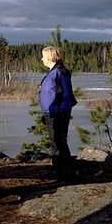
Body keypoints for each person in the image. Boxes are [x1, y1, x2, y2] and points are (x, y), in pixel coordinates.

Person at [39, 46, 78, 180]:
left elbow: (67, 95)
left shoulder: (61, 72)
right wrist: (45, 113)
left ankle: (65, 172)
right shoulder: (52, 72)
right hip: (51, 113)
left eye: (43, 56)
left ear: (50, 57)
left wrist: (62, 112)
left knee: (59, 142)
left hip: (58, 113)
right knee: (55, 142)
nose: (42, 59)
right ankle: (60, 170)